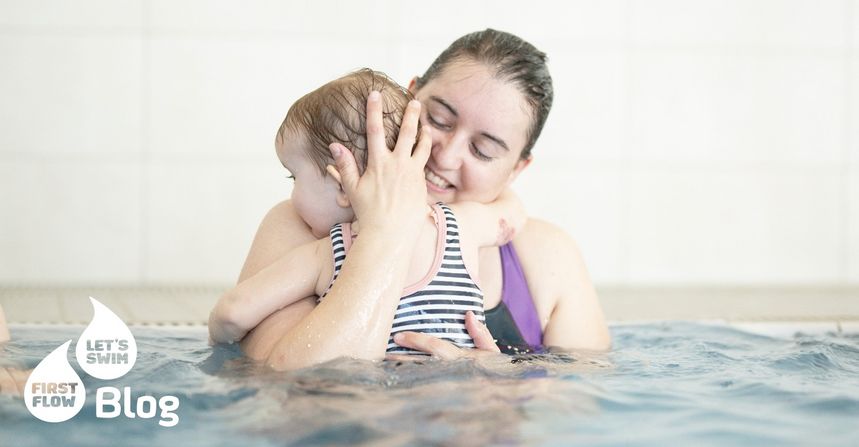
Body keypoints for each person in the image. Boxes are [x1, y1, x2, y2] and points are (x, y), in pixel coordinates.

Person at [238, 29, 611, 369]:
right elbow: (274, 379)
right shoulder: (301, 226)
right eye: (438, 120)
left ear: (516, 169)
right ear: (410, 95)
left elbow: (581, 406)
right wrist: (386, 232)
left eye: (482, 150)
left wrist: (502, 381)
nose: (444, 156)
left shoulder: (547, 256)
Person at [208, 69, 526, 359]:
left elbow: (234, 312)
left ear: (342, 186)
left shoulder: (327, 253)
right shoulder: (462, 225)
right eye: (439, 121)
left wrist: (219, 333)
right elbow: (511, 218)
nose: (446, 158)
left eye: (294, 177)